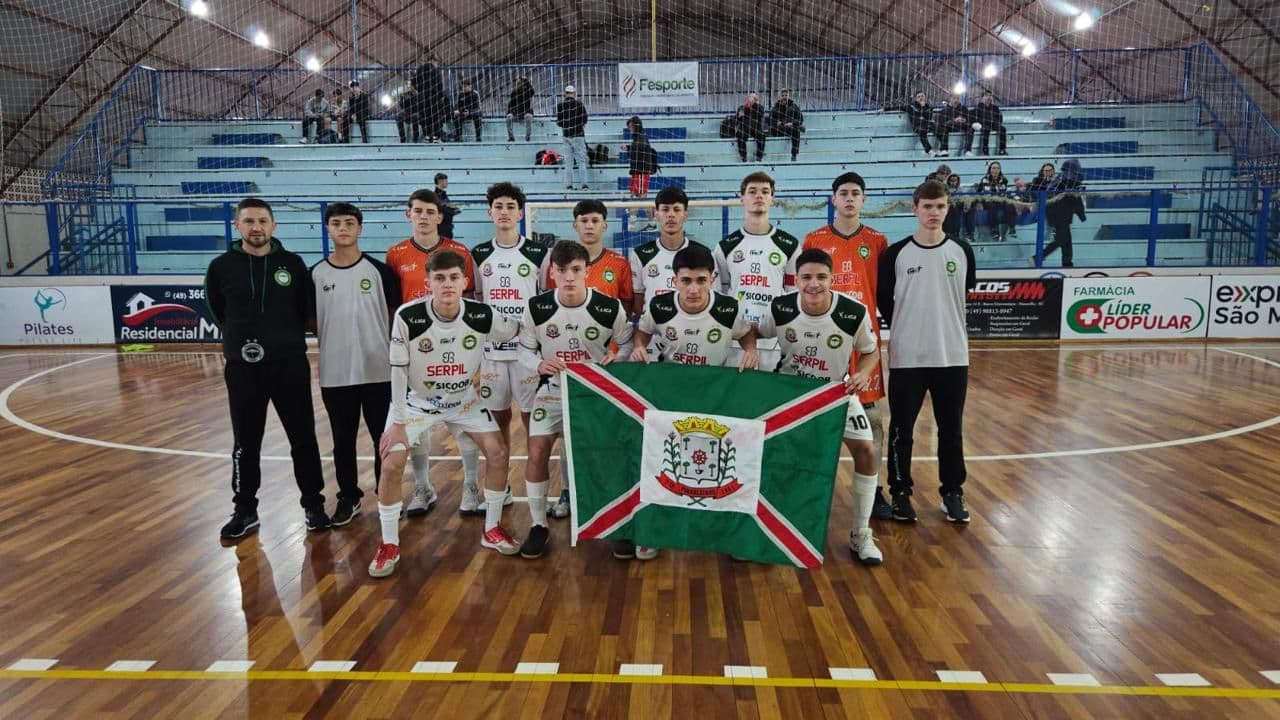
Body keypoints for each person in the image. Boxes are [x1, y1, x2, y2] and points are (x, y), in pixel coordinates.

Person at [369, 250, 522, 577]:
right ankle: (388, 544)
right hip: (416, 402)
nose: (447, 284)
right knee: (392, 460)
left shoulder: (482, 314)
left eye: (454, 277)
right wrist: (397, 423)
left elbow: (517, 332)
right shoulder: (408, 316)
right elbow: (397, 370)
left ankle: (492, 528)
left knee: (498, 453)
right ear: (428, 283)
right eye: (439, 278)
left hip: (463, 400)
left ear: (466, 282)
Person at [625, 243, 759, 560]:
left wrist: (751, 350)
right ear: (675, 281)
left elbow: (746, 334)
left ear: (712, 279)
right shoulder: (659, 307)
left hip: (716, 395)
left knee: (721, 466)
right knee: (659, 463)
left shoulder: (728, 308)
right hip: (670, 395)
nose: (694, 288)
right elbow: (642, 332)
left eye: (701, 280)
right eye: (686, 281)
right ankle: (652, 532)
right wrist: (640, 347)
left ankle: (725, 530)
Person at [205, 198, 329, 540]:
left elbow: (306, 311)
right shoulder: (220, 267)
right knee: (246, 441)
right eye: (248, 221)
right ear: (237, 226)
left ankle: (313, 504)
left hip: (289, 365)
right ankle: (245, 509)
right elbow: (217, 311)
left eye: (262, 221)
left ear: (273, 226)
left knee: (302, 437)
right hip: (243, 369)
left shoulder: (293, 264)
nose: (256, 227)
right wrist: (241, 340)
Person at [756, 248, 884, 564]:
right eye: (806, 277)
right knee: (767, 457)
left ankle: (860, 533)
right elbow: (753, 333)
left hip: (834, 394)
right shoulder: (781, 307)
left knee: (866, 450)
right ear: (796, 280)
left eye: (821, 277)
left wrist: (863, 373)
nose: (814, 284)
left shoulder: (853, 312)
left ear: (832, 279)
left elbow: (871, 351)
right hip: (789, 396)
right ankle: (765, 527)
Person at [516, 241, 635, 559]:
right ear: (551, 272)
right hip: (552, 391)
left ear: (587, 271)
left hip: (593, 395)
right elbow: (523, 350)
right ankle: (539, 525)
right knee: (537, 450)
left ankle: (618, 525)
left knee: (606, 456)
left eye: (576, 270)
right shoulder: (536, 307)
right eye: (562, 270)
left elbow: (625, 344)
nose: (569, 277)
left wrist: (616, 359)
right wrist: (538, 364)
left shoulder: (608, 307)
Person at [877, 180, 977, 525]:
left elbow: (962, 294)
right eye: (928, 206)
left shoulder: (963, 251)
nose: (934, 213)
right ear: (915, 208)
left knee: (952, 430)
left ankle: (952, 492)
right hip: (907, 358)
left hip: (952, 356)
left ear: (948, 208)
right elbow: (885, 302)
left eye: (940, 206)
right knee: (902, 430)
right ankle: (900, 492)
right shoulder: (896, 254)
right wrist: (910, 327)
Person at [802, 171, 892, 520]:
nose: (850, 198)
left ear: (863, 199)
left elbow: (883, 293)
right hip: (823, 344)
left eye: (856, 193)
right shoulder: (814, 238)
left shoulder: (877, 241)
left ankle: (875, 490)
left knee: (872, 422)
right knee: (816, 422)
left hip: (864, 343)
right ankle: (809, 490)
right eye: (843, 193)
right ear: (833, 199)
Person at [385, 189, 480, 516]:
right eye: (418, 211)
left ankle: (471, 488)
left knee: (467, 428)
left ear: (440, 217)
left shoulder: (460, 251)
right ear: (408, 215)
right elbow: (393, 304)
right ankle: (423, 487)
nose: (423, 217)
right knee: (417, 429)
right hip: (416, 354)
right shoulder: (396, 254)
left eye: (430, 211)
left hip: (458, 352)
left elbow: (474, 303)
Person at [310, 203, 401, 527]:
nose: (343, 228)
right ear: (328, 229)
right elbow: (311, 320)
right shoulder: (316, 274)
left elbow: (394, 316)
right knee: (342, 441)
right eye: (336, 223)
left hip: (378, 372)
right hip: (335, 374)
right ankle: (348, 497)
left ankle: (386, 494)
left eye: (350, 223)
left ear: (360, 228)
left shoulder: (379, 271)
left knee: (384, 438)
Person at [470, 182, 550, 516]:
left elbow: (545, 298)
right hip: (491, 353)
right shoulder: (477, 254)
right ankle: (500, 488)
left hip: (527, 354)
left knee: (533, 421)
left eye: (510, 206)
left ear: (521, 212)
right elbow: (475, 299)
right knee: (498, 419)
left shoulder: (537, 253)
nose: (504, 212)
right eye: (498, 206)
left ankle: (536, 492)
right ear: (490, 212)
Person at [713, 171, 801, 373]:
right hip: (737, 340)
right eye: (752, 191)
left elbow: (793, 295)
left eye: (765, 191)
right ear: (742, 198)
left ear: (772, 199)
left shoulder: (790, 245)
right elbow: (720, 296)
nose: (759, 196)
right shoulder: (725, 247)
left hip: (776, 339)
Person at [628, 186, 692, 319]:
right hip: (653, 336)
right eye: (665, 209)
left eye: (676, 209)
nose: (671, 215)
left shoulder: (702, 253)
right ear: (656, 214)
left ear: (686, 215)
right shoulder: (640, 255)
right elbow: (637, 302)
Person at [1041, 158, 1086, 267]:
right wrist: (1082, 215)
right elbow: (1076, 198)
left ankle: (1067, 263)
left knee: (1067, 240)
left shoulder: (1059, 177)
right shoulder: (1070, 179)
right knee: (1062, 239)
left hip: (1054, 211)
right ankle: (1039, 256)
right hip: (1060, 213)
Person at [971, 161, 1016, 242]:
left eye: (997, 168)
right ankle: (994, 231)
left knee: (1010, 205)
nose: (995, 170)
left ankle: (1012, 229)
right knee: (992, 205)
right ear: (990, 170)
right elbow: (980, 192)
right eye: (993, 168)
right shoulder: (985, 179)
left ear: (1000, 170)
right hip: (988, 201)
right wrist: (979, 202)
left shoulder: (1004, 179)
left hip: (1001, 200)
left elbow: (1007, 192)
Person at [556, 85, 590, 190]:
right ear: (574, 93)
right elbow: (585, 119)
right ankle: (584, 185)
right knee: (581, 161)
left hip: (566, 136)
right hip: (578, 135)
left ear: (565, 93)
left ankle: (569, 185)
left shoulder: (560, 105)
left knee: (568, 162)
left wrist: (566, 125)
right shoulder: (579, 104)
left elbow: (559, 122)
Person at [886, 91, 934, 156]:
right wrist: (884, 109)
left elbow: (929, 117)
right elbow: (898, 107)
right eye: (919, 97)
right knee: (922, 131)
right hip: (918, 127)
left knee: (941, 129)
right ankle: (929, 151)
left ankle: (943, 150)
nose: (921, 98)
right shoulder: (911, 107)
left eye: (922, 96)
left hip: (928, 126)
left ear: (925, 97)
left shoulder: (929, 107)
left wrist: (923, 107)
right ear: (916, 99)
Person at [414, 57, 449, 142]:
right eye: (437, 63)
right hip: (434, 97)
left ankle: (427, 136)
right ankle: (436, 138)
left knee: (425, 117)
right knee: (436, 117)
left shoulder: (419, 70)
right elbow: (440, 84)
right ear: (433, 61)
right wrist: (441, 96)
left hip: (423, 97)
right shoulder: (436, 70)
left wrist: (420, 91)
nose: (437, 64)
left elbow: (414, 82)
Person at [623, 116, 658, 198]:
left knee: (640, 197)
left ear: (637, 126)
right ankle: (635, 210)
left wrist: (628, 149)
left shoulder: (641, 138)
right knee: (633, 195)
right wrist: (628, 148)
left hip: (641, 172)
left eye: (631, 126)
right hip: (637, 172)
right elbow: (636, 150)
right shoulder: (638, 138)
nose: (630, 129)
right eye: (629, 127)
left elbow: (637, 153)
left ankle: (649, 211)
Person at [770, 88, 804, 161]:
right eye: (783, 95)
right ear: (780, 96)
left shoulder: (794, 106)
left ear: (788, 96)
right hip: (779, 129)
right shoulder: (775, 108)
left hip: (790, 128)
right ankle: (799, 127)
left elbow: (800, 119)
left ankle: (794, 155)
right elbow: (771, 120)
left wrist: (791, 123)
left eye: (786, 95)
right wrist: (778, 123)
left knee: (796, 131)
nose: (784, 97)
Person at [972, 91, 1008, 156]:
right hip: (984, 125)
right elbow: (975, 118)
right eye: (986, 95)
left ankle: (1002, 149)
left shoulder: (995, 108)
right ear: (982, 98)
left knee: (1002, 129)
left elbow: (1000, 118)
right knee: (986, 129)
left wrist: (996, 122)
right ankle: (985, 150)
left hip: (993, 124)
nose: (989, 97)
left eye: (990, 96)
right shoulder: (978, 108)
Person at [735, 92, 766, 162]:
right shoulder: (742, 107)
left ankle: (759, 157)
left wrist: (755, 105)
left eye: (754, 98)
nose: (752, 99)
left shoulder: (759, 107)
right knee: (740, 135)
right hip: (745, 127)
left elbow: (760, 114)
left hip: (755, 128)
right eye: (751, 97)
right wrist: (739, 116)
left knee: (761, 136)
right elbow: (737, 118)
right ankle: (743, 157)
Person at [943, 173, 974, 240]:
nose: (953, 183)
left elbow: (964, 197)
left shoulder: (960, 189)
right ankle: (952, 233)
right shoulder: (945, 189)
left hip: (959, 205)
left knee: (970, 209)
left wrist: (966, 204)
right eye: (951, 180)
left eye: (955, 181)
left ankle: (970, 234)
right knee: (953, 209)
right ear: (948, 181)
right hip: (949, 206)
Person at [433, 172, 462, 240]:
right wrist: (453, 210)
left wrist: (454, 209)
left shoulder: (442, 195)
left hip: (446, 226)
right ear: (440, 181)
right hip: (442, 228)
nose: (447, 182)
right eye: (445, 180)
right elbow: (441, 209)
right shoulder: (436, 195)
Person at [506, 76, 535, 142]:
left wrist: (527, 81)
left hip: (526, 112)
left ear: (523, 83)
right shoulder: (514, 92)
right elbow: (511, 104)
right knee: (508, 117)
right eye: (517, 83)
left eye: (519, 83)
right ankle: (511, 137)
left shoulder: (527, 91)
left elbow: (533, 92)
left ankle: (527, 137)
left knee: (529, 117)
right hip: (516, 112)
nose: (518, 85)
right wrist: (511, 112)